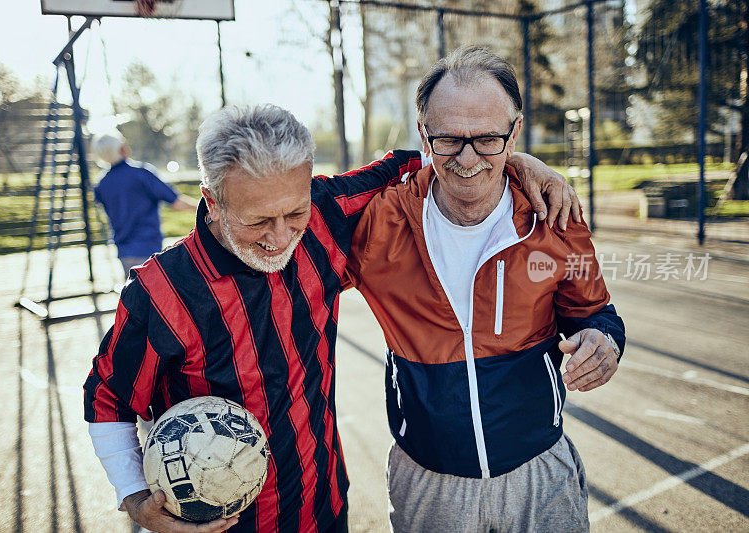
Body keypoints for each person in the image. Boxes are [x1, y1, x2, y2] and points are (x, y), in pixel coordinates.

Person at [83, 104, 579, 533]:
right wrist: (132, 497)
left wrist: (517, 163)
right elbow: (108, 398)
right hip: (218, 524)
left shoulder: (327, 213)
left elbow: (423, 161)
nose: (280, 237)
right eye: (257, 220)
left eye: (293, 213)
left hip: (323, 507)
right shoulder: (161, 291)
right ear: (212, 201)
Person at [345, 46, 626, 532]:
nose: (468, 158)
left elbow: (596, 313)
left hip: (540, 474)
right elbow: (284, 226)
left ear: (514, 132)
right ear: (423, 133)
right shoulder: (379, 223)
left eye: (488, 138)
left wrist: (605, 341)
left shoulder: (557, 218)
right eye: (449, 139)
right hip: (428, 482)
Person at [92, 133, 198, 277]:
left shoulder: (101, 184)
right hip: (148, 248)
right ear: (122, 149)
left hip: (123, 251)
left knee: (134, 296)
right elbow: (176, 202)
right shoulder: (141, 173)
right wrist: (205, 208)